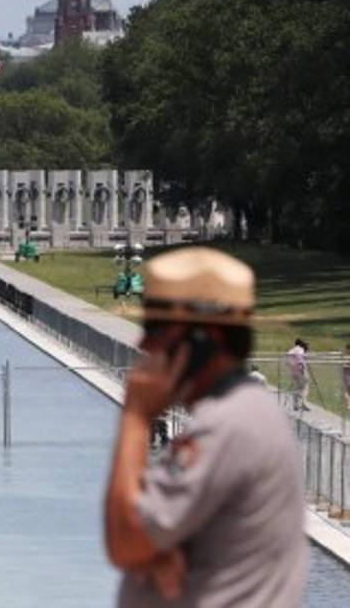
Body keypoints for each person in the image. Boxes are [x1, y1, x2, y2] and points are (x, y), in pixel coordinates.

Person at [104, 247, 306, 607]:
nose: (144, 344)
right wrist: (158, 553)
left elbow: (125, 539)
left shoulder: (229, 427)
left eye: (158, 330)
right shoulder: (240, 416)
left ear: (203, 338)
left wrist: (135, 415)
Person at [286, 338, 309, 411]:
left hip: (292, 371)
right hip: (300, 370)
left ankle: (296, 404)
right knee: (305, 386)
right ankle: (303, 403)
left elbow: (287, 362)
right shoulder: (300, 350)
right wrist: (303, 369)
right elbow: (300, 360)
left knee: (297, 387)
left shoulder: (290, 351)